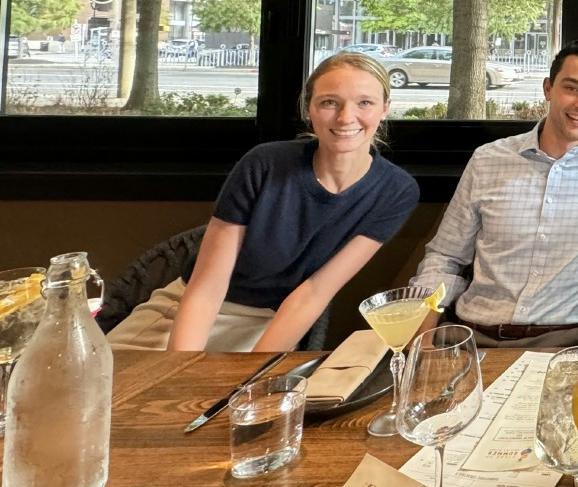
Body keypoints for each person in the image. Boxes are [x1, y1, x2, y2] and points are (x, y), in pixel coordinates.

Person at [108, 51, 419, 352]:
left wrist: (255, 376)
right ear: (309, 109)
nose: (346, 117)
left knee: (240, 390)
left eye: (365, 103)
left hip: (270, 321)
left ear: (385, 108)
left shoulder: (396, 191)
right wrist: (180, 366)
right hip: (190, 309)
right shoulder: (264, 164)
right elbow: (207, 286)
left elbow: (313, 293)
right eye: (329, 102)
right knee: (102, 378)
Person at [413, 38, 578, 347]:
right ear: (548, 88)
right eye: (572, 88)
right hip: (470, 336)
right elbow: (446, 256)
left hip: (563, 343)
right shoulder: (487, 160)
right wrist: (421, 337)